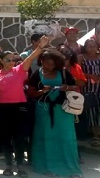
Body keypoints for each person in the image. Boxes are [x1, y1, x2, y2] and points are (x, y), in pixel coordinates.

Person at [0, 36, 49, 177]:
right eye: (8, 59)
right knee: (5, 139)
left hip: (18, 108)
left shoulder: (19, 70)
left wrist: (40, 47)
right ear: (1, 61)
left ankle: (19, 165)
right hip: (2, 109)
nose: (12, 62)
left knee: (19, 138)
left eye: (13, 59)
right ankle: (8, 165)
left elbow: (30, 58)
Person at [26, 48, 81, 178]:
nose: (49, 66)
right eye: (47, 63)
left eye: (52, 64)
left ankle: (70, 167)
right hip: (43, 110)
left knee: (66, 137)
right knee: (45, 138)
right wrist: (41, 92)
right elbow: (30, 92)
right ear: (41, 61)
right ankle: (47, 166)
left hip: (63, 110)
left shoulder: (63, 72)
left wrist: (66, 87)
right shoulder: (36, 74)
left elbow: (75, 87)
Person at [79, 39, 100, 148]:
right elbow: (77, 72)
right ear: (85, 47)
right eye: (89, 46)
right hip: (88, 89)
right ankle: (95, 136)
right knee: (91, 112)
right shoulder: (81, 57)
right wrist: (90, 76)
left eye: (94, 46)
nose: (92, 48)